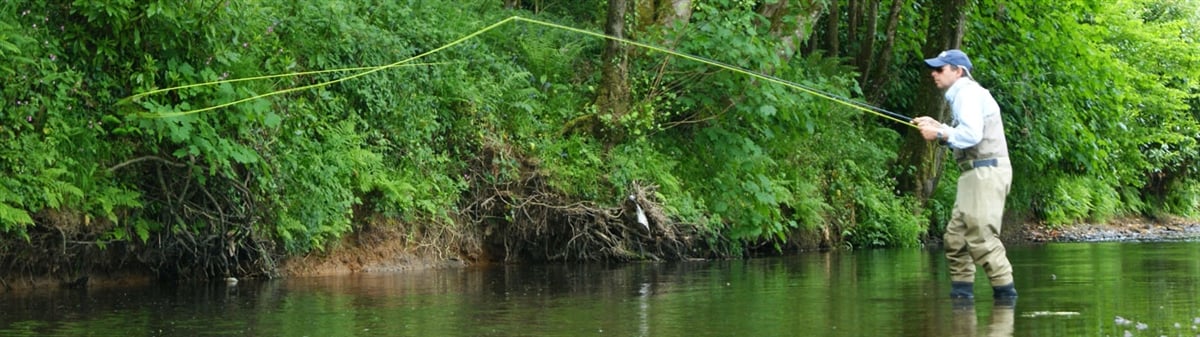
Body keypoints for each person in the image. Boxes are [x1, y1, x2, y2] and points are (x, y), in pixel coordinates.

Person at [911, 49, 1017, 301]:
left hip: (986, 171)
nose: (933, 74)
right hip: (975, 173)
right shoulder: (964, 94)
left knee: (981, 237)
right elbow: (968, 131)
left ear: (958, 71)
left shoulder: (967, 93)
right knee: (956, 239)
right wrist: (940, 127)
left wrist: (938, 134)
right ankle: (962, 305)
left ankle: (1006, 300)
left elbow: (972, 135)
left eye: (940, 69)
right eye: (933, 69)